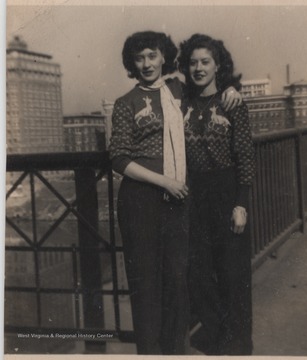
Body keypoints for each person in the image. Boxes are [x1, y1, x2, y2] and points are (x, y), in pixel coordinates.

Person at [108, 31, 242, 355]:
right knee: (146, 283)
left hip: (178, 200)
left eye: (152, 56)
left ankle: (174, 351)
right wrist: (164, 181)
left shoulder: (178, 89)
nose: (146, 64)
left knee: (176, 280)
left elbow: (210, 80)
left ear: (163, 57)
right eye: (139, 58)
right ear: (132, 63)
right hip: (141, 200)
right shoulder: (126, 103)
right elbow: (119, 158)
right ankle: (150, 352)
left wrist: (231, 88)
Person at [177, 33, 256, 355]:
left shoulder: (231, 102)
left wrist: (241, 203)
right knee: (198, 273)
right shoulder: (181, 102)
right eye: (193, 62)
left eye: (205, 62)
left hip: (226, 193)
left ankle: (237, 343)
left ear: (217, 65)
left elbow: (245, 158)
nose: (198, 68)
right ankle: (214, 335)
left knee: (232, 272)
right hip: (193, 195)